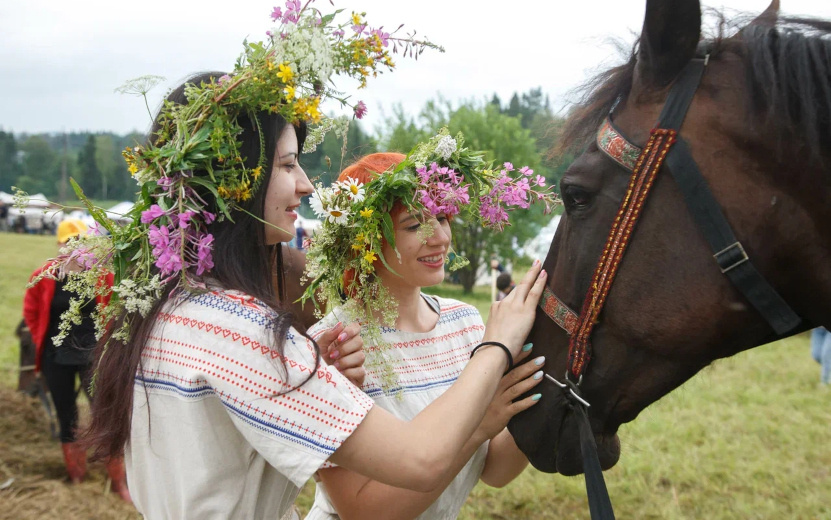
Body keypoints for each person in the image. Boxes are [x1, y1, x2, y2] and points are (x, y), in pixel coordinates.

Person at [55, 10, 548, 519]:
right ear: (235, 178)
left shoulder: (173, 309)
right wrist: (496, 346)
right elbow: (417, 462)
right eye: (288, 165)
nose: (307, 184)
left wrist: (310, 373)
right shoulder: (243, 332)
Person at [304, 153, 545, 520]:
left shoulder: (464, 324)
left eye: (444, 217)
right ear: (368, 240)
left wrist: (549, 384)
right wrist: (478, 423)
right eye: (415, 224)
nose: (440, 238)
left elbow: (494, 471)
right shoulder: (336, 345)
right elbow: (363, 511)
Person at [22, 218, 131, 502]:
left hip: (94, 358)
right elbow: (32, 312)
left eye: (78, 243)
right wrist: (40, 341)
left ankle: (119, 482)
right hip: (55, 357)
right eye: (67, 244)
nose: (73, 249)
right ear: (59, 246)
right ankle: (77, 477)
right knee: (66, 415)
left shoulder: (102, 276)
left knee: (105, 415)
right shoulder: (44, 276)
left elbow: (114, 310)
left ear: (87, 246)